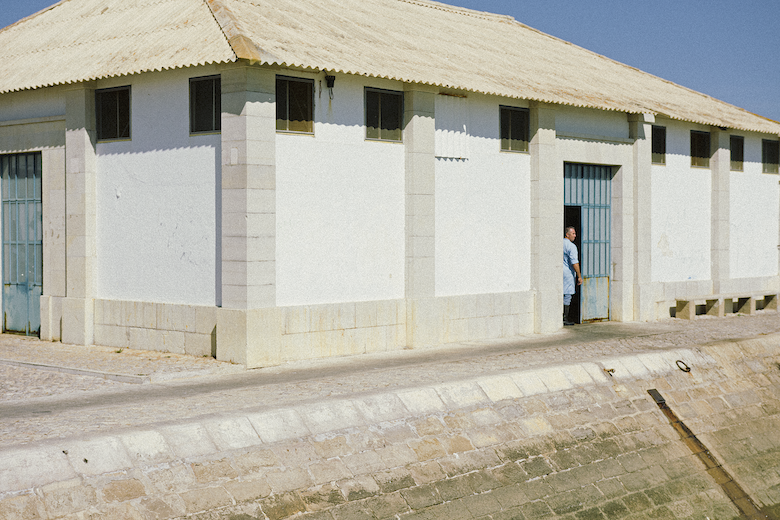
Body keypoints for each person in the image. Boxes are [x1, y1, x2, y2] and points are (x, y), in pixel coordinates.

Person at [563, 226, 583, 326]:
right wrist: (579, 276)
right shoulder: (571, 246)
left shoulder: (559, 243)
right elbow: (574, 262)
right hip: (568, 273)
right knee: (567, 295)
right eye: (573, 234)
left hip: (560, 272)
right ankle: (564, 318)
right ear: (567, 234)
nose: (575, 236)